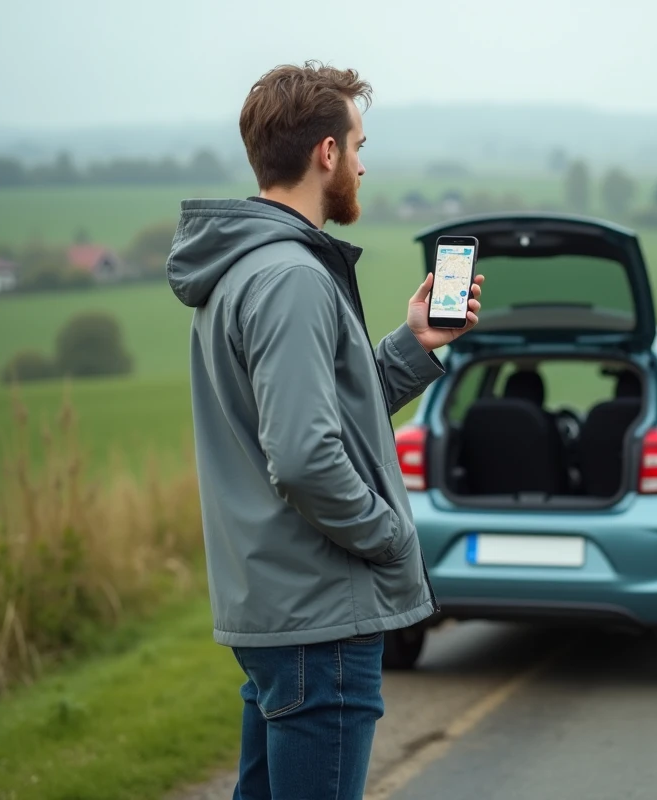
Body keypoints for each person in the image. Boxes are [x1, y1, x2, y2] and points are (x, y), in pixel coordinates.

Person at [165, 61, 483, 800]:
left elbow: (320, 413)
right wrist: (388, 535)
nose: (364, 165)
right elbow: (307, 457)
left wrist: (412, 345)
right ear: (327, 153)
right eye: (359, 144)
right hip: (321, 615)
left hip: (278, 609)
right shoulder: (292, 278)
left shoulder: (244, 268)